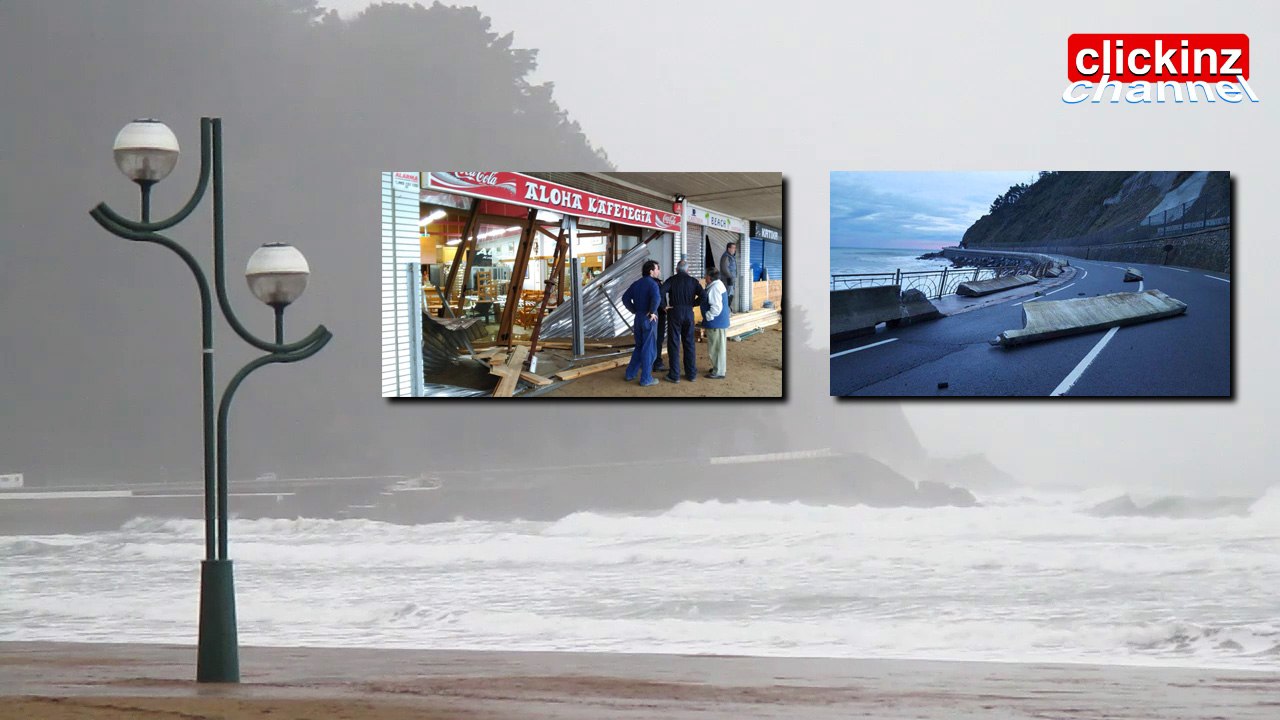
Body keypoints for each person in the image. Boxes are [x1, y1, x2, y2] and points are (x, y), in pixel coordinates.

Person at [660, 260, 703, 383]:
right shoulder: (693, 281)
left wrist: (664, 305)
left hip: (674, 312)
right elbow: (704, 296)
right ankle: (691, 374)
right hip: (688, 313)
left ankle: (674, 375)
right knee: (689, 343)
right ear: (687, 270)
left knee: (674, 343)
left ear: (676, 269)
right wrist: (692, 304)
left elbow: (660, 291)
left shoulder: (671, 280)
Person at [621, 259, 662, 387]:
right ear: (651, 271)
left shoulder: (636, 284)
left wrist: (635, 310)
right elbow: (656, 298)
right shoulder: (653, 284)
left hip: (638, 318)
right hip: (648, 319)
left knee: (639, 347)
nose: (658, 271)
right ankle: (646, 379)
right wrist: (652, 311)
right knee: (649, 350)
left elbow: (625, 298)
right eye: (657, 269)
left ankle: (630, 374)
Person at [701, 269, 730, 379]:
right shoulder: (718, 284)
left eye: (706, 275)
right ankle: (718, 368)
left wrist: (708, 316)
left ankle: (719, 372)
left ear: (709, 277)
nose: (705, 277)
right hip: (719, 322)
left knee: (716, 348)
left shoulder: (714, 288)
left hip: (716, 323)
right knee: (718, 347)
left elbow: (716, 307)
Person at [719, 241, 739, 311]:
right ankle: (725, 310)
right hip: (727, 280)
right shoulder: (726, 257)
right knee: (727, 295)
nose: (734, 250)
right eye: (733, 248)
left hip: (731, 280)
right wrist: (730, 277)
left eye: (735, 248)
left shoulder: (731, 257)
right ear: (728, 249)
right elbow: (725, 268)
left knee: (731, 295)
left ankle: (727, 309)